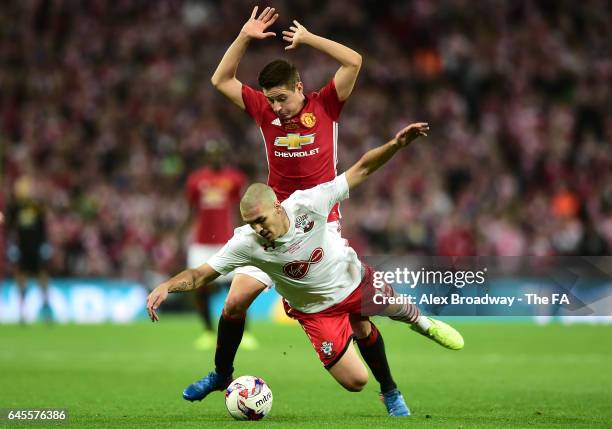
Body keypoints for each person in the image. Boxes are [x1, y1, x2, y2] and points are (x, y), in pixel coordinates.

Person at [147, 123, 465, 416]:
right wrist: (166, 286)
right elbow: (200, 274)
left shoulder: (309, 203)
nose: (258, 228)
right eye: (250, 224)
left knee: (400, 311)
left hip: (349, 280)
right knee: (355, 381)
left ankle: (404, 364)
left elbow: (363, 168)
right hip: (314, 309)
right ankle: (221, 374)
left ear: (277, 206)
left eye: (261, 220)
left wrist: (396, 144)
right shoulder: (246, 241)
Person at [202, 5, 363, 399]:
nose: (275, 107)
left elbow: (354, 61)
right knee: (235, 301)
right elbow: (220, 79)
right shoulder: (264, 111)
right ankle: (222, 374)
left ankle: (384, 380)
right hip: (272, 223)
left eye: (281, 99)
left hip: (321, 224)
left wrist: (308, 39)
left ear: (299, 89)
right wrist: (243, 35)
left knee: (356, 318)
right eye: (270, 101)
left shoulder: (325, 105)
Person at [184, 140, 249, 350]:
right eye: (212, 154)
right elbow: (190, 210)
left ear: (224, 154)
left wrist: (246, 234)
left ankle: (244, 333)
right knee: (200, 287)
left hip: (227, 240)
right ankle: (208, 332)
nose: (216, 157)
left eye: (219, 153)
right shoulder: (196, 180)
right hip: (201, 243)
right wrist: (180, 233)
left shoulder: (235, 179)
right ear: (206, 157)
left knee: (238, 287)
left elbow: (241, 209)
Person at [6, 175, 52, 323]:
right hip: (22, 249)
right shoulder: (14, 208)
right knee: (21, 279)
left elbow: (43, 227)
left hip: (37, 248)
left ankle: (45, 308)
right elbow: (9, 227)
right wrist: (11, 246)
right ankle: (22, 311)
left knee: (42, 278)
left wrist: (45, 243)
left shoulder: (37, 206)